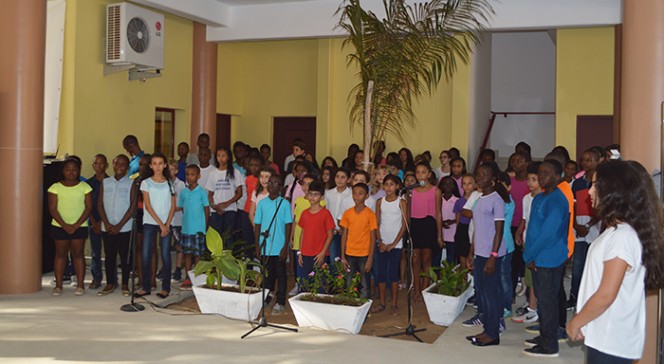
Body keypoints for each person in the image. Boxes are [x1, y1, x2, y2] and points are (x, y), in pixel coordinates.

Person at [567, 160, 664, 363]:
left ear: (614, 191)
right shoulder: (617, 231)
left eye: (595, 185)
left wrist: (576, 322)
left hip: (611, 339)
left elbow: (606, 294)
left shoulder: (623, 237)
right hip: (606, 335)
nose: (590, 192)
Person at [522, 159, 570, 357]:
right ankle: (545, 335)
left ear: (557, 177)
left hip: (549, 257)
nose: (542, 177)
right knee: (543, 300)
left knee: (548, 302)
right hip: (537, 255)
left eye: (546, 174)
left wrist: (529, 254)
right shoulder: (541, 197)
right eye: (540, 173)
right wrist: (532, 254)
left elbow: (547, 234)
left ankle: (550, 345)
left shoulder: (558, 201)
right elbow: (533, 229)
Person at [465, 162, 506, 347]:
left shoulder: (497, 200)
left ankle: (493, 333)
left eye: (484, 175)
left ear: (493, 179)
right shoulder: (480, 199)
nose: (479, 177)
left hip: (492, 255)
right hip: (479, 253)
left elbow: (499, 231)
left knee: (491, 294)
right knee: (482, 292)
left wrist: (493, 256)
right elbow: (477, 229)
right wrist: (471, 252)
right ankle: (487, 329)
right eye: (478, 174)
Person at [48, 157, 93, 296]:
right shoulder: (55, 187)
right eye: (67, 169)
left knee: (78, 255)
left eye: (74, 169)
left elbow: (89, 207)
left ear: (79, 170)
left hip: (79, 226)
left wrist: (76, 225)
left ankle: (80, 286)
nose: (71, 172)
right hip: (59, 226)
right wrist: (65, 226)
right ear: (63, 171)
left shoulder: (85, 187)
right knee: (60, 255)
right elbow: (53, 209)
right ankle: (58, 286)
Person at [136, 153, 176, 299]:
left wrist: (167, 224)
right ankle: (146, 286)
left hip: (166, 224)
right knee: (146, 255)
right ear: (151, 166)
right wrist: (161, 224)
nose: (158, 166)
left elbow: (173, 206)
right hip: (150, 223)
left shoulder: (170, 183)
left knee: (166, 256)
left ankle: (166, 287)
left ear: (165, 165)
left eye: (161, 163)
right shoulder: (146, 183)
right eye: (155, 163)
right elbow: (148, 205)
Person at [568, 148, 601, 311]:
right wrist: (575, 225)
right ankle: (574, 296)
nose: (586, 163)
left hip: (594, 229)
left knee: (593, 266)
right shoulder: (577, 183)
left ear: (598, 161)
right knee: (577, 266)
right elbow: (572, 206)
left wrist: (588, 225)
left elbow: (602, 209)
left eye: (590, 160)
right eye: (584, 160)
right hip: (578, 230)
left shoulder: (601, 183)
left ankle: (589, 298)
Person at [254, 174, 293, 315]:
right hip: (265, 246)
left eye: (276, 183)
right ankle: (267, 296)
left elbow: (288, 225)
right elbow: (257, 224)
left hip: (279, 247)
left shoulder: (284, 204)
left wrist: (285, 247)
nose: (272, 185)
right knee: (267, 274)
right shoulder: (262, 203)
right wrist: (257, 245)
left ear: (281, 187)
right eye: (270, 182)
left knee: (281, 274)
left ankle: (280, 300)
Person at [97, 155, 134, 297]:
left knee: (125, 257)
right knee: (109, 256)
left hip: (124, 227)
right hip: (107, 227)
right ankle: (110, 283)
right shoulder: (105, 182)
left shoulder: (131, 184)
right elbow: (100, 204)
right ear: (113, 164)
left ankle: (125, 284)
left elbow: (131, 208)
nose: (120, 167)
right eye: (117, 163)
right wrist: (106, 223)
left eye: (123, 164)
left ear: (127, 167)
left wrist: (119, 225)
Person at [512, 162, 541, 324]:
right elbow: (525, 219)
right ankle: (531, 307)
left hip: (537, 243)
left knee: (536, 277)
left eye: (534, 179)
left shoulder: (543, 199)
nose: (530, 183)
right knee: (529, 277)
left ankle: (534, 308)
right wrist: (518, 232)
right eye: (529, 179)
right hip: (527, 241)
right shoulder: (526, 198)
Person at [409, 162, 443, 300]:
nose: (420, 175)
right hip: (415, 224)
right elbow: (407, 211)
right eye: (418, 172)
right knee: (415, 259)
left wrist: (440, 235)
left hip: (429, 224)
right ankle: (416, 290)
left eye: (423, 172)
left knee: (427, 258)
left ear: (429, 174)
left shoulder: (436, 191)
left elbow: (439, 213)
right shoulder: (411, 191)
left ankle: (425, 290)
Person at [374, 175, 407, 315]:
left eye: (391, 184)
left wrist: (394, 243)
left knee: (393, 273)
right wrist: (380, 241)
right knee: (381, 273)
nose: (388, 187)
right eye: (386, 184)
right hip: (382, 242)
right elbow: (376, 223)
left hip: (396, 243)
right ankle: (382, 303)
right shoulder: (379, 201)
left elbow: (405, 224)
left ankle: (394, 304)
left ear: (397, 186)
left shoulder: (401, 201)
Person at [289, 174, 327, 294]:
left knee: (314, 268)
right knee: (300, 265)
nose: (307, 186)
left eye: (310, 184)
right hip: (300, 236)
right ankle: (299, 285)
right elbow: (295, 220)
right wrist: (291, 236)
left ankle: (315, 291)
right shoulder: (298, 201)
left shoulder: (322, 204)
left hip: (313, 239)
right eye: (305, 183)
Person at [340, 182, 378, 299]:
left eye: (360, 194)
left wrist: (370, 258)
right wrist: (343, 255)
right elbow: (344, 235)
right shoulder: (348, 213)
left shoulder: (370, 214)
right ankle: (352, 306)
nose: (357, 196)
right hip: (350, 253)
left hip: (364, 254)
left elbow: (373, 237)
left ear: (367, 196)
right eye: (354, 193)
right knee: (350, 282)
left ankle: (364, 308)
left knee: (364, 283)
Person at [178, 165, 210, 290]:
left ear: (198, 176)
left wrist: (205, 227)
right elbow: (182, 208)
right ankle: (187, 277)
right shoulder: (184, 192)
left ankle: (197, 277)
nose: (189, 177)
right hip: (186, 229)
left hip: (198, 230)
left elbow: (207, 210)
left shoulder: (202, 192)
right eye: (187, 174)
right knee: (187, 254)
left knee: (197, 255)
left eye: (192, 174)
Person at [297, 180, 335, 286]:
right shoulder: (304, 213)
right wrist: (300, 252)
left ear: (322, 197)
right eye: (310, 194)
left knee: (319, 283)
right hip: (305, 253)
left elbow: (330, 235)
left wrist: (323, 252)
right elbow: (303, 233)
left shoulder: (325, 213)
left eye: (316, 194)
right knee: (305, 282)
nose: (313, 197)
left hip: (319, 254)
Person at [206, 147, 244, 245]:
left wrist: (226, 204)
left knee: (228, 238)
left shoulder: (235, 172)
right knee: (216, 238)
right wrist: (214, 206)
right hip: (215, 210)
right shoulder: (213, 174)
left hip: (230, 210)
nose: (220, 158)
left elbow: (239, 193)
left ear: (228, 157)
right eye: (218, 156)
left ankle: (228, 259)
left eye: (223, 156)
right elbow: (210, 194)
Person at [86, 154, 109, 290]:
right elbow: (87, 205)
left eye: (101, 163)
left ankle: (112, 279)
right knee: (95, 252)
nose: (98, 166)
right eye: (96, 163)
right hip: (93, 221)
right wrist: (94, 222)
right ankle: (96, 278)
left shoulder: (111, 182)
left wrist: (103, 222)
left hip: (108, 222)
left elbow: (111, 205)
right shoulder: (89, 184)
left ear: (106, 165)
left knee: (110, 251)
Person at [326, 168, 351, 267]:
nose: (339, 180)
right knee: (334, 260)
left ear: (348, 180)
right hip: (332, 231)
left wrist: (345, 229)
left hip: (346, 232)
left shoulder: (351, 194)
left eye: (343, 177)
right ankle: (335, 282)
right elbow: (327, 212)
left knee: (346, 260)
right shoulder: (328, 193)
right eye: (337, 177)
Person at [167, 159, 186, 281]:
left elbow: (183, 204)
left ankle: (178, 269)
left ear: (177, 171)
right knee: (166, 246)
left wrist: (173, 209)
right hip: (167, 220)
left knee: (179, 246)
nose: (170, 172)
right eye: (168, 169)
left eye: (172, 169)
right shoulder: (165, 183)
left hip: (178, 220)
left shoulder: (181, 184)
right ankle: (165, 269)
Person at [453, 174, 476, 270]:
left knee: (472, 257)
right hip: (462, 229)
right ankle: (463, 280)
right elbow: (457, 218)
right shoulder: (459, 202)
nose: (467, 186)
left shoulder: (478, 199)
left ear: (475, 185)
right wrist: (457, 232)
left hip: (474, 229)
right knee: (462, 257)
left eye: (469, 183)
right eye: (464, 184)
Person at [438, 176, 460, 265]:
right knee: (437, 257)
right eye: (445, 183)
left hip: (453, 233)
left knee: (451, 258)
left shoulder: (457, 200)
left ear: (454, 186)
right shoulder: (438, 199)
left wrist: (453, 221)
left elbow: (461, 216)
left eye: (450, 183)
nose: (447, 185)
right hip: (440, 232)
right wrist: (441, 222)